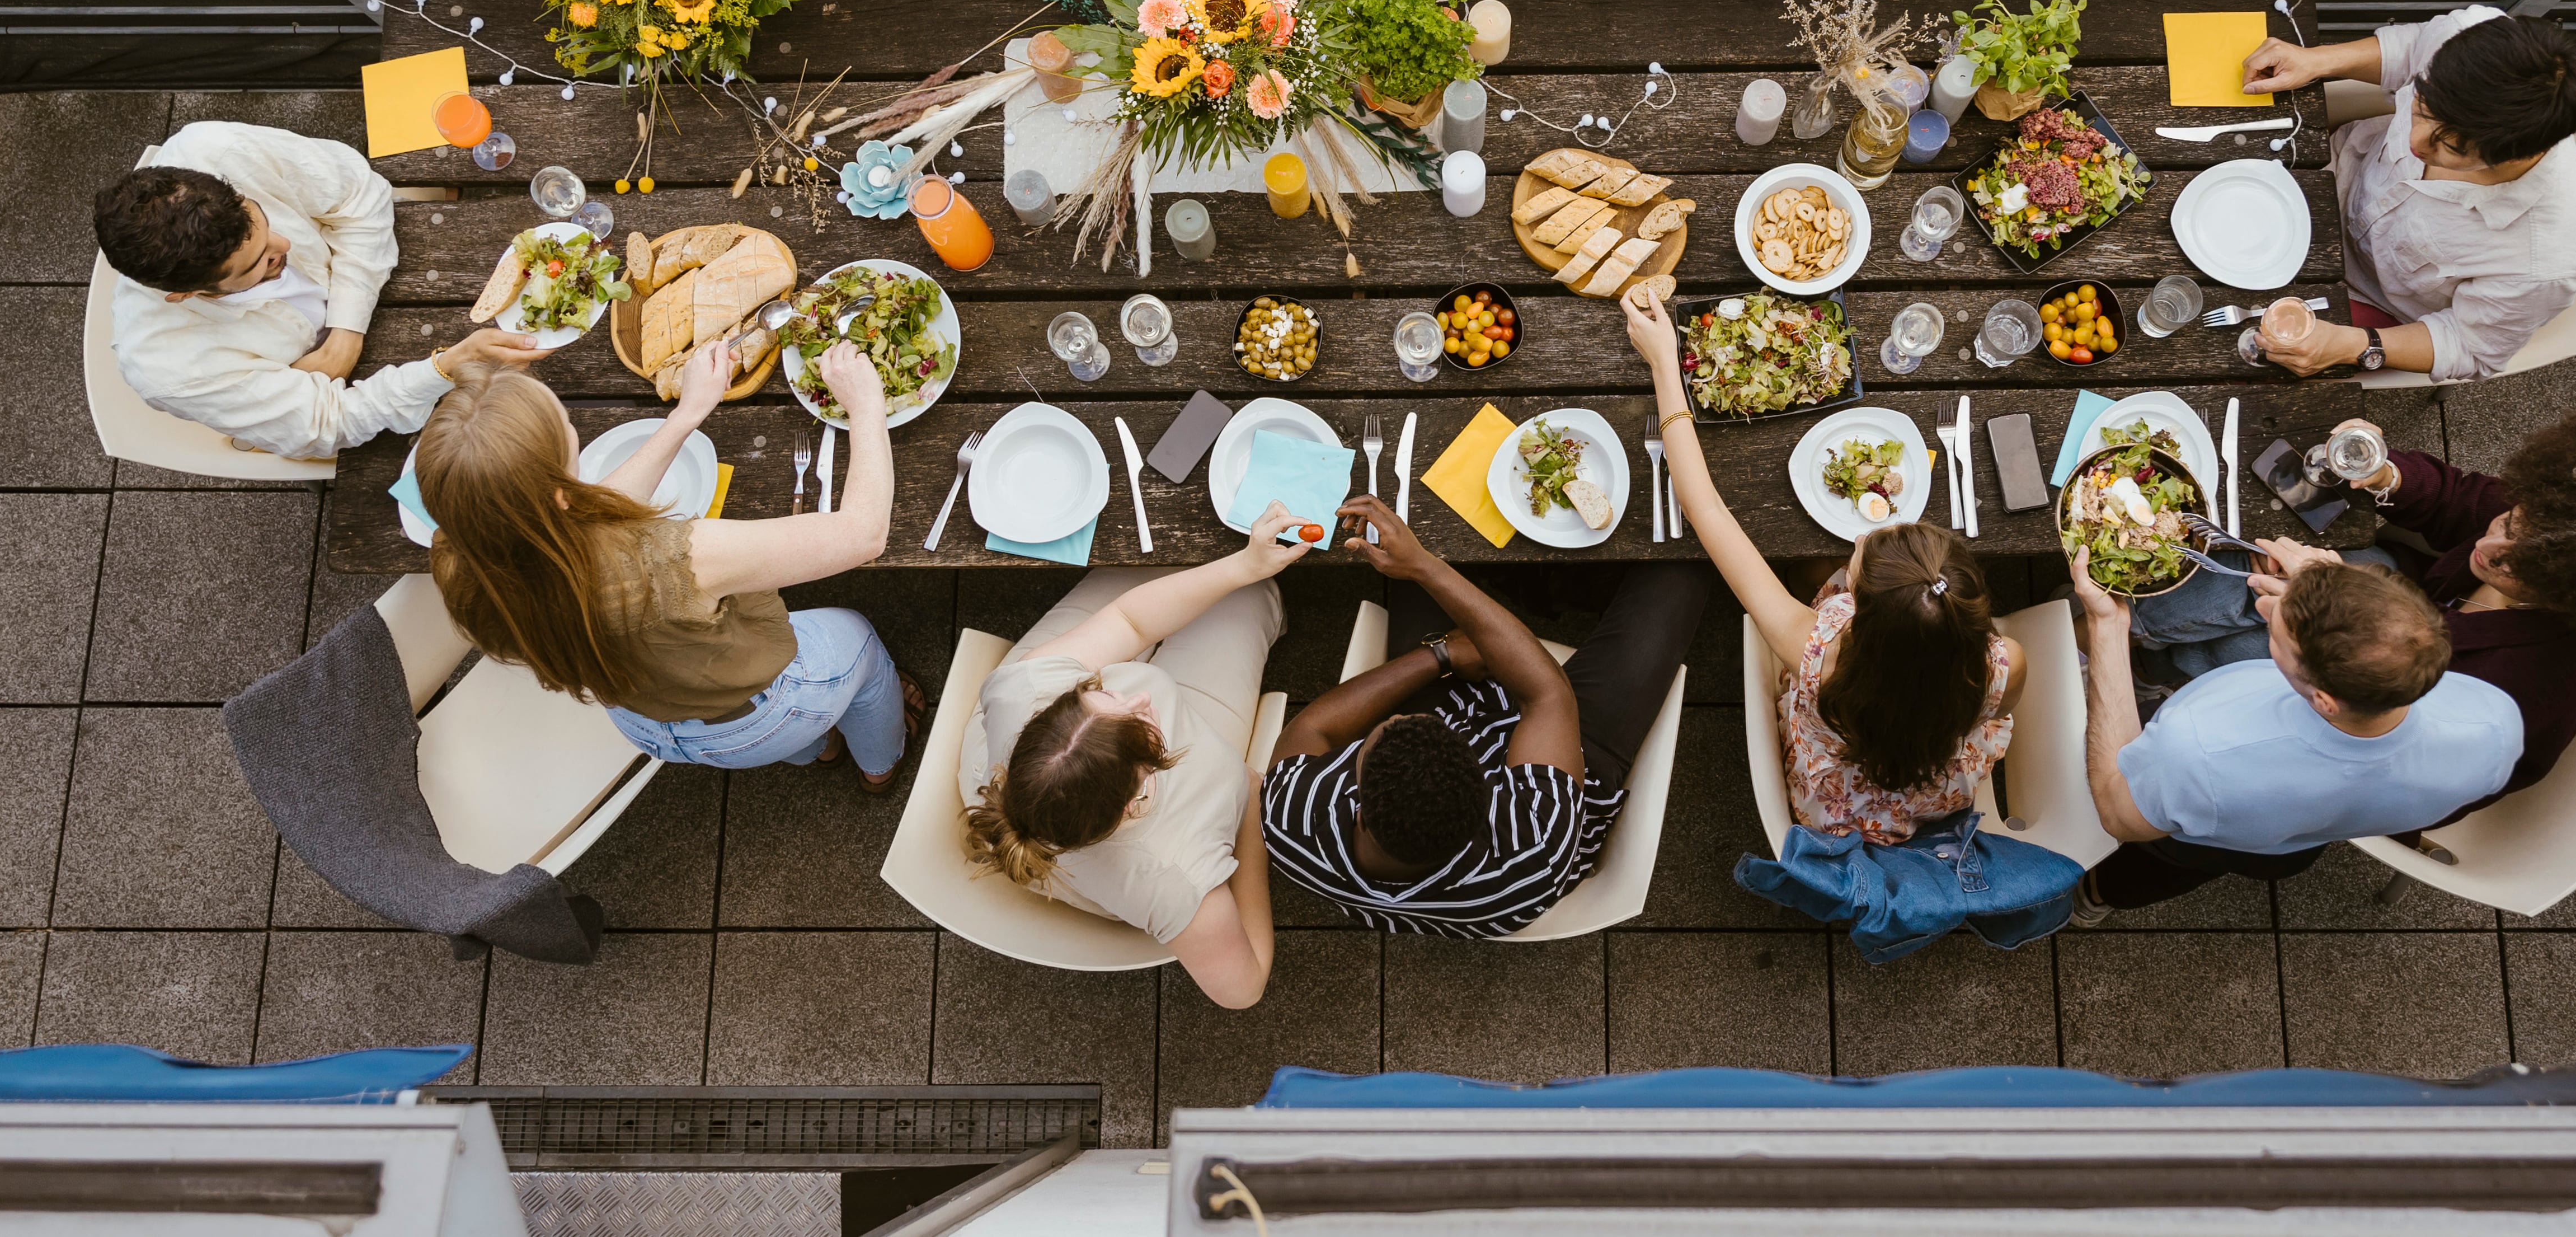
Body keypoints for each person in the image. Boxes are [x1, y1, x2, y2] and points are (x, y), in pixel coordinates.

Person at [2124, 411, 2576, 810]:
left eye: (2512, 567)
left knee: (2234, 641)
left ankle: (2127, 642)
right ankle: (2149, 652)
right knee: (2249, 587)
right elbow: (2457, 499)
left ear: (2566, 596)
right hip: (2400, 613)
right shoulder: (2561, 538)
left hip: (2380, 725)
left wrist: (2329, 606)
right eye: (2507, 523)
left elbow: (2380, 728)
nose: (2487, 548)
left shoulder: (2511, 696)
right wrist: (2383, 472)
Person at [417, 343, 922, 791]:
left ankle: (821, 749)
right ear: (556, 492)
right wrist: (865, 405)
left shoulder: (463, 557)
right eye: (565, 426)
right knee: (858, 641)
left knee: (799, 732)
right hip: (755, 716)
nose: (570, 424)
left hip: (643, 719)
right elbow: (864, 534)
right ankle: (880, 766)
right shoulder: (672, 562)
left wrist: (687, 415)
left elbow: (585, 516)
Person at [1618, 289, 2025, 841]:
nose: (1860, 536)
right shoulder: (2005, 664)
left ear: (1855, 614)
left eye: (1859, 563)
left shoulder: (1812, 654)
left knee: (1807, 568)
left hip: (1834, 806)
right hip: (1930, 796)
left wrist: (1665, 364)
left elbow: (1703, 508)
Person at [1259, 496, 1705, 938]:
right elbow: (1547, 695)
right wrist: (1425, 568)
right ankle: (1561, 583)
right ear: (1487, 796)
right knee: (1683, 567)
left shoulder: (1289, 822)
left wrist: (1438, 655)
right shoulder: (1532, 849)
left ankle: (1529, 581)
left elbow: (1312, 728)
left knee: (1413, 521)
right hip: (1571, 772)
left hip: (1447, 705)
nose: (1393, 720)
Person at [959, 504, 1311, 1011]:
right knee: (1249, 593)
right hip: (1178, 805)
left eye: (1098, 690)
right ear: (1131, 803)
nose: (1139, 695)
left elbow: (1129, 620)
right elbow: (1245, 986)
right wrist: (1252, 813)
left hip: (1016, 792)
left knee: (1157, 554)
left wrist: (1242, 564)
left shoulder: (1027, 688)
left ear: (1053, 713)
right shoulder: (1175, 882)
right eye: (1141, 726)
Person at [2074, 542, 2524, 920]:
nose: (2266, 605)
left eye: (2277, 631)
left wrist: (2108, 628)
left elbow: (2118, 813)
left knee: (2156, 866)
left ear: (2325, 700)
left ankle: (2091, 897)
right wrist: (2328, 584)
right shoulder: (2498, 721)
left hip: (2204, 823)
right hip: (2295, 842)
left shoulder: (2199, 747)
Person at [96, 119, 546, 458]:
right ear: (185, 295)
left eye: (263, 223)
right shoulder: (169, 368)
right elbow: (330, 421)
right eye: (260, 263)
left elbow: (361, 196)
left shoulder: (213, 150)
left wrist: (342, 343)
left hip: (375, 296)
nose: (285, 245)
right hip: (367, 397)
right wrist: (446, 367)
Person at [2240, 6, 2576, 381]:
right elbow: (2412, 49)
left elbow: (2468, 345)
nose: (2415, 141)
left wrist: (2353, 346)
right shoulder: (2467, 36)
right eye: (2422, 107)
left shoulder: (2545, 262)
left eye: (2450, 146)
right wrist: (2314, 60)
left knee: (2235, 352)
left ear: (2516, 154)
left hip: (2362, 297)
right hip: (2332, 170)